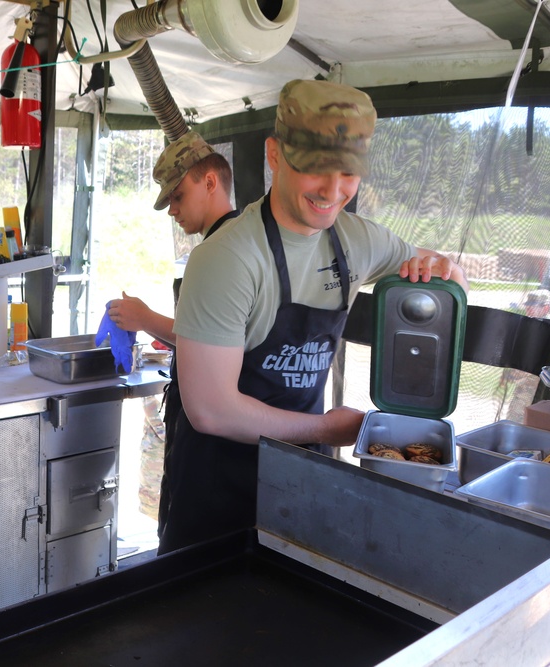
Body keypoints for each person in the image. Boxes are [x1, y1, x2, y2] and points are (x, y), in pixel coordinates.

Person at [157, 79, 469, 555]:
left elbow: (450, 279)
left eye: (348, 174)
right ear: (275, 155)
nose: (332, 191)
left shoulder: (358, 240)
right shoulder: (228, 258)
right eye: (315, 170)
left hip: (301, 484)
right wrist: (327, 429)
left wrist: (446, 271)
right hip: (218, 493)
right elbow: (211, 410)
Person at [106, 131, 239, 527]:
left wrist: (144, 318)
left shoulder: (225, 251)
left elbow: (215, 340)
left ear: (210, 182)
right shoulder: (221, 245)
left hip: (213, 438)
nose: (171, 211)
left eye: (177, 197)